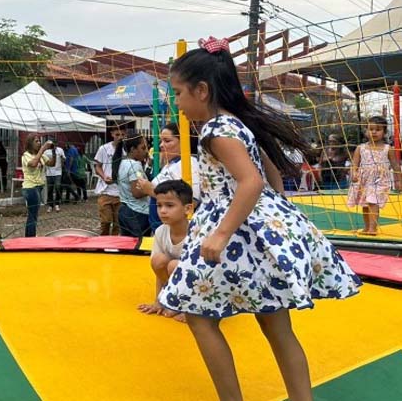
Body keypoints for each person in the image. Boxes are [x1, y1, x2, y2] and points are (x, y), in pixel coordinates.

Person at [159, 37, 361, 401]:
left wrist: (221, 234)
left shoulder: (216, 132)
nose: (177, 103)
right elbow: (270, 177)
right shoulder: (238, 122)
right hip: (256, 227)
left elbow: (250, 181)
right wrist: (276, 219)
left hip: (232, 226)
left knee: (198, 315)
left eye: (178, 93)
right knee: (275, 324)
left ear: (201, 90)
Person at [137, 180, 193, 323]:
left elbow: (205, 273)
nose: (162, 211)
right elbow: (158, 269)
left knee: (174, 265)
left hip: (199, 285)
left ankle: (189, 308)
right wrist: (158, 301)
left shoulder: (196, 233)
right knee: (158, 259)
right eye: (159, 205)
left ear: (187, 209)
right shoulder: (161, 231)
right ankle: (168, 300)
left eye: (169, 206)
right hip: (176, 281)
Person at [136, 122, 201, 230]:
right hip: (161, 228)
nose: (161, 145)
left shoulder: (189, 164)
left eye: (167, 141)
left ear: (184, 141)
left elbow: (192, 201)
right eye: (161, 141)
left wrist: (151, 190)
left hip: (175, 231)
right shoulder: (170, 164)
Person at [347, 116, 401, 236]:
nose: (374, 132)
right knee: (365, 204)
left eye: (378, 129)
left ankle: (373, 228)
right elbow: (354, 164)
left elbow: (396, 166)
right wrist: (354, 174)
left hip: (380, 180)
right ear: (366, 131)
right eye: (371, 129)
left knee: (373, 201)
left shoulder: (388, 149)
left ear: (385, 132)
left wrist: (398, 181)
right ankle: (366, 227)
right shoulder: (360, 148)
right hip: (364, 180)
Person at [115, 133, 151, 237]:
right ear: (132, 149)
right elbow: (137, 192)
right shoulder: (135, 165)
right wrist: (153, 189)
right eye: (143, 148)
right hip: (138, 212)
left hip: (125, 209)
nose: (146, 151)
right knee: (139, 247)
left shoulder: (122, 163)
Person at [21, 135, 54, 237]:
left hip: (38, 187)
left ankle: (28, 238)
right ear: (30, 143)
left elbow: (51, 163)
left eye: (40, 141)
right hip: (30, 187)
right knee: (33, 215)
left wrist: (54, 151)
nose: (39, 143)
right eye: (36, 141)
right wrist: (43, 149)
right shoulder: (26, 155)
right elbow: (34, 163)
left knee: (32, 215)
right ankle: (31, 238)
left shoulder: (40, 155)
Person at [93, 127, 124, 235]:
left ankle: (115, 245)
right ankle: (103, 242)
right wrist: (104, 176)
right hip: (105, 190)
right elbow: (97, 166)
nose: (120, 137)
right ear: (112, 134)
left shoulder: (126, 150)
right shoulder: (104, 148)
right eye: (117, 134)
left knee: (118, 223)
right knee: (106, 221)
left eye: (122, 135)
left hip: (121, 192)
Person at [43, 140, 64, 213]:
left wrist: (62, 159)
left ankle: (57, 204)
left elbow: (64, 159)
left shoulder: (60, 150)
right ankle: (50, 205)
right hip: (49, 173)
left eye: (55, 144)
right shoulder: (46, 152)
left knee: (58, 187)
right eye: (52, 144)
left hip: (58, 172)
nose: (54, 146)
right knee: (50, 189)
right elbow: (44, 161)